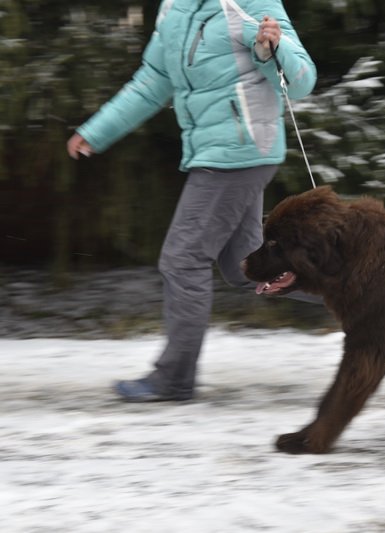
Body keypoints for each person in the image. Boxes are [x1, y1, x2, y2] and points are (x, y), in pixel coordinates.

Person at [67, 0, 317, 402]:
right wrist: (98, 130)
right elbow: (151, 81)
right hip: (215, 154)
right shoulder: (175, 9)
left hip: (241, 150)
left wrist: (274, 48)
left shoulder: (248, 3)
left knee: (183, 259)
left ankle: (174, 380)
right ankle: (365, 293)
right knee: (246, 266)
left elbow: (302, 80)